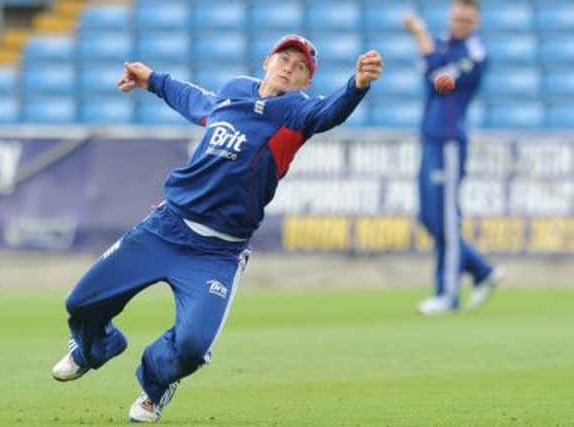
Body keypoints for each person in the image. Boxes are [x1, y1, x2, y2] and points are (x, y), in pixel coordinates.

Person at [51, 34, 383, 423]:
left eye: (300, 68)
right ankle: (97, 346)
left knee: (191, 347)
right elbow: (196, 101)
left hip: (216, 253)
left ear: (305, 83)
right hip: (166, 227)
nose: (289, 68)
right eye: (284, 59)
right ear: (266, 62)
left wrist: (357, 85)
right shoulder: (233, 92)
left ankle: (157, 383)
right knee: (80, 303)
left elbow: (330, 113)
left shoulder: (297, 113)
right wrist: (151, 79)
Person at [403, 0, 503, 315]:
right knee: (429, 217)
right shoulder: (445, 44)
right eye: (457, 17)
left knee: (445, 217)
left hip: (449, 140)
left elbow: (437, 76)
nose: (460, 23)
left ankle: (447, 294)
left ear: (476, 22)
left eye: (467, 19)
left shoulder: (474, 53)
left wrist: (419, 33)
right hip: (431, 137)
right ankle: (482, 270)